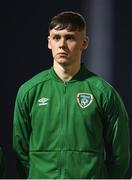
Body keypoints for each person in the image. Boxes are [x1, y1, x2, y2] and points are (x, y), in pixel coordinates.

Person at [13, 11, 130, 179]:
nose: (62, 44)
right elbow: (20, 152)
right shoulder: (29, 91)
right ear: (48, 42)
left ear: (84, 42)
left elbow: (120, 156)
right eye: (56, 37)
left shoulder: (104, 93)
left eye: (69, 38)